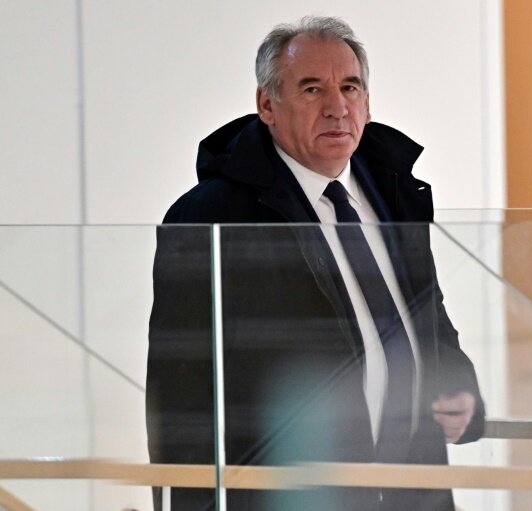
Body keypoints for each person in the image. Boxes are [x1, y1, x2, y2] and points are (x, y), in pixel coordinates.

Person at [147, 15, 484, 510]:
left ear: (368, 103)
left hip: (415, 496)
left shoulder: (396, 195)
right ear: (267, 105)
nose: (336, 106)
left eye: (350, 87)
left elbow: (428, 317)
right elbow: (180, 395)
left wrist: (459, 389)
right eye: (311, 89)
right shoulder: (210, 218)